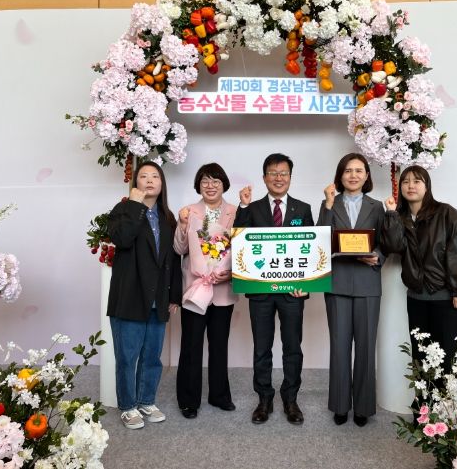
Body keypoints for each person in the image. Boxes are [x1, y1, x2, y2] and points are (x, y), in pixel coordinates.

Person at [233, 153, 314, 425]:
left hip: (292, 293)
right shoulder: (252, 208)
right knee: (261, 348)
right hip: (261, 292)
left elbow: (311, 249)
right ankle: (264, 399)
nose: (279, 178)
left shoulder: (303, 209)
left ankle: (291, 399)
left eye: (284, 173)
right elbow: (239, 241)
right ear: (264, 177)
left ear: (290, 177)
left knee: (293, 347)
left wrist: (306, 286)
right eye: (273, 173)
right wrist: (243, 206)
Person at [382, 165, 457, 384]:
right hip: (416, 298)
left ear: (427, 186)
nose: (410, 186)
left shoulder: (446, 213)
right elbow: (393, 246)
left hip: (448, 299)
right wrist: (391, 215)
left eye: (417, 181)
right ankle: (423, 406)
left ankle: (445, 405)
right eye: (405, 182)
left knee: (448, 360)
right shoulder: (401, 217)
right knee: (421, 358)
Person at [106, 161, 182, 430]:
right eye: (143, 176)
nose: (149, 180)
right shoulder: (122, 210)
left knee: (152, 356)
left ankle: (146, 400)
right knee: (127, 357)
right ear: (135, 183)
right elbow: (123, 239)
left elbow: (172, 259)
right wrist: (135, 205)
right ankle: (128, 406)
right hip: (129, 297)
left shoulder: (167, 217)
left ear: (162, 184)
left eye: (155, 176)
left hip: (158, 298)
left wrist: (175, 295)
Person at [317, 153, 385, 427]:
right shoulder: (329, 204)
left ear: (367, 175)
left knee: (366, 349)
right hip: (338, 283)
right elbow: (321, 239)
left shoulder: (377, 207)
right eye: (348, 171)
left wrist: (377, 256)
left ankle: (363, 407)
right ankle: (340, 405)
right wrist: (328, 204)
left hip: (368, 283)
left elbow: (385, 242)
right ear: (340, 175)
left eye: (358, 170)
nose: (353, 175)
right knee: (339, 347)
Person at [174, 163, 237, 419]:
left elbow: (243, 249)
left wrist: (230, 272)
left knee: (219, 345)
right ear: (198, 186)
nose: (210, 186)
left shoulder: (236, 212)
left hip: (222, 289)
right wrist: (182, 224)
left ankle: (219, 395)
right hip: (195, 288)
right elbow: (179, 250)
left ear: (224, 185)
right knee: (191, 345)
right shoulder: (189, 211)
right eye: (205, 181)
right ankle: (188, 400)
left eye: (215, 181)